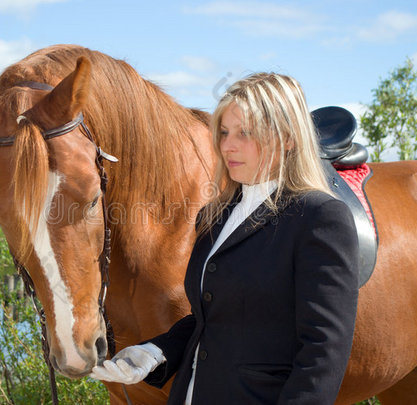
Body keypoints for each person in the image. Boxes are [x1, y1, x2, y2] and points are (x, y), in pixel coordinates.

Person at [90, 72, 360, 404]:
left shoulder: (319, 217)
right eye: (224, 132)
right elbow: (214, 317)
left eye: (245, 133)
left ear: (288, 138)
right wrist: (156, 352)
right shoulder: (215, 215)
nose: (228, 145)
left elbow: (323, 352)